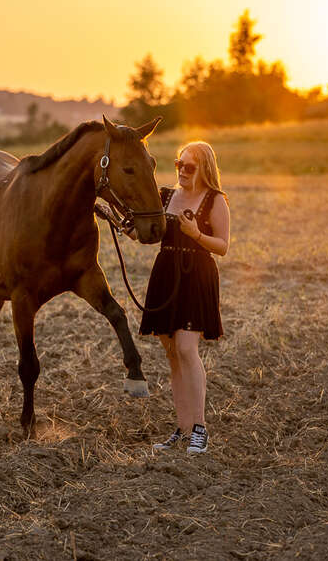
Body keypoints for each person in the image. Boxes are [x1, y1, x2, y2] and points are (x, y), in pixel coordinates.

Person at [134, 141, 230, 454]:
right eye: (179, 165)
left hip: (196, 276)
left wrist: (196, 235)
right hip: (165, 274)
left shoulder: (215, 200)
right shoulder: (165, 196)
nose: (182, 171)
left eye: (189, 167)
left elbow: (223, 246)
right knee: (172, 353)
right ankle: (183, 427)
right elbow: (148, 234)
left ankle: (200, 428)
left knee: (188, 349)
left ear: (204, 169)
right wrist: (125, 227)